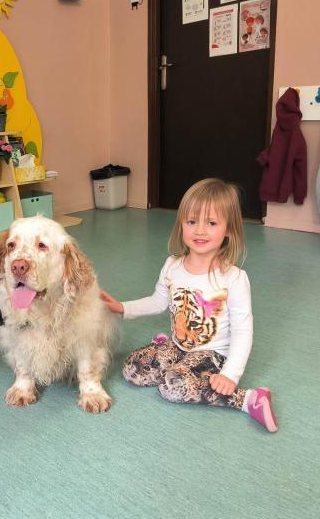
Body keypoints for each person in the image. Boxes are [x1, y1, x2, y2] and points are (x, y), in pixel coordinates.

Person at [100, 178, 277, 433]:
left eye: (211, 223)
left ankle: (248, 400)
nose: (200, 231)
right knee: (132, 369)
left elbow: (242, 331)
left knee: (171, 387)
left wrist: (230, 374)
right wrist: (122, 307)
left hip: (213, 354)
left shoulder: (234, 278)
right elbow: (158, 301)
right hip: (179, 346)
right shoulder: (172, 265)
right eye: (192, 222)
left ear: (229, 229)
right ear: (181, 224)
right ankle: (168, 349)